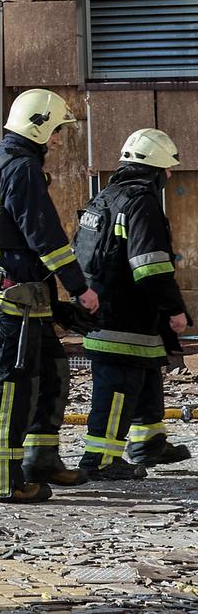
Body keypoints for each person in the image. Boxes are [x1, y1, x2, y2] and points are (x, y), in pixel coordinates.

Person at [0, 89, 100, 504]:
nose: (59, 140)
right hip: (17, 299)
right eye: (57, 130)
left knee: (52, 373)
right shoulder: (21, 169)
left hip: (26, 296)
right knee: (12, 384)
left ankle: (41, 461)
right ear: (39, 126)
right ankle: (0, 480)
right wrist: (80, 289)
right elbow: (46, 238)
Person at [75, 128, 192, 480]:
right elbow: (151, 267)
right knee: (118, 389)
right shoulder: (141, 202)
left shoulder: (106, 197)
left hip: (108, 312)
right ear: (156, 169)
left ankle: (149, 444)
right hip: (124, 317)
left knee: (144, 379)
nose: (170, 175)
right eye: (167, 168)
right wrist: (175, 310)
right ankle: (101, 460)